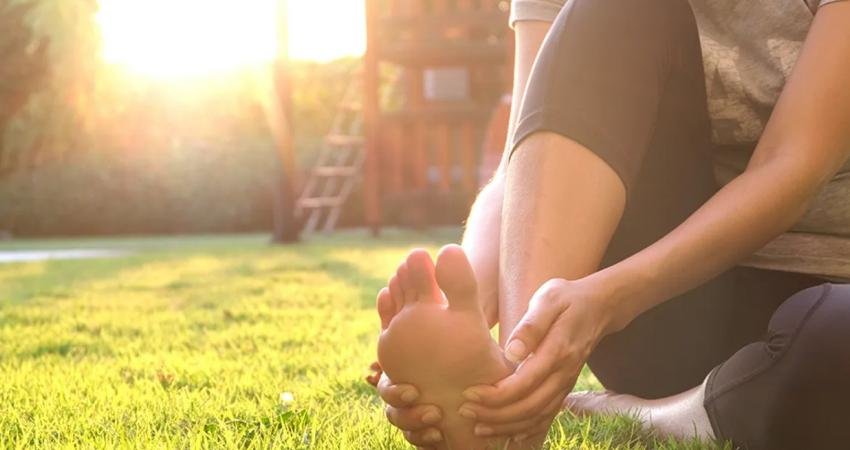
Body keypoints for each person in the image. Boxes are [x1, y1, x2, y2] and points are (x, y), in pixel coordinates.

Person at [368, 0, 850, 449]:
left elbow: (790, 165)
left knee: (833, 338)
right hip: (667, 313)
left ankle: (644, 415)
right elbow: (531, 159)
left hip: (814, 296)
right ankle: (518, 395)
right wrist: (463, 308)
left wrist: (614, 298)